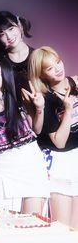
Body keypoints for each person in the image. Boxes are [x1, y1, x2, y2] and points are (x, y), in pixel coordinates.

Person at [0, 56, 50, 215]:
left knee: (32, 224)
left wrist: (40, 109)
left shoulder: (18, 97)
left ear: (5, 76)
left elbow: (37, 129)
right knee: (5, 226)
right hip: (3, 164)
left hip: (31, 161)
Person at [23, 46, 78, 228]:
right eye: (50, 68)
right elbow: (59, 142)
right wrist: (68, 111)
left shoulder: (75, 83)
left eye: (58, 62)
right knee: (62, 229)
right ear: (41, 74)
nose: (58, 68)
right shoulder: (45, 100)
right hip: (60, 164)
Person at [0, 11, 34, 98]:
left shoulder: (37, 55)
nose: (9, 37)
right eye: (2, 34)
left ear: (19, 25)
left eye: (11, 29)